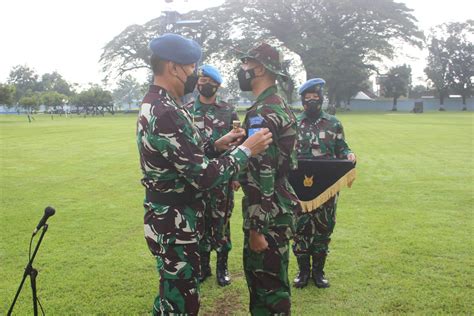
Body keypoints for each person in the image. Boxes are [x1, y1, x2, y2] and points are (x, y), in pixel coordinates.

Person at [136, 33, 273, 315]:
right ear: (173, 67)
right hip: (174, 222)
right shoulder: (166, 112)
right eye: (191, 69)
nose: (194, 76)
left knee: (173, 295)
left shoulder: (160, 103)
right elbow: (203, 176)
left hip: (172, 218)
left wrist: (214, 145)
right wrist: (245, 150)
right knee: (181, 303)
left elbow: (181, 155)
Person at [237, 42, 300, 315]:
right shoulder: (277, 104)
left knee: (268, 290)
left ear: (260, 68)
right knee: (273, 283)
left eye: (246, 64)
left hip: (267, 213)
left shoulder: (262, 113)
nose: (242, 70)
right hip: (278, 206)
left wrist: (256, 228)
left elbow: (262, 172)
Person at [292, 78, 356, 289]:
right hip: (299, 188)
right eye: (307, 98)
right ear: (302, 100)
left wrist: (349, 155)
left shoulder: (333, 123)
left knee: (323, 230)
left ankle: (319, 272)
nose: (311, 101)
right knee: (300, 230)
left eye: (315, 97)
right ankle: (303, 272)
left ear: (321, 98)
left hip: (327, 187)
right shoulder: (294, 123)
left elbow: (342, 148)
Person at [184, 64, 239, 286]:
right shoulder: (187, 109)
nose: (203, 84)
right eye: (201, 80)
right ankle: (203, 267)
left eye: (208, 81)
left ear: (217, 85)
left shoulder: (228, 111)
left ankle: (222, 267)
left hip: (223, 177)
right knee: (200, 223)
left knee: (222, 222)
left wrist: (236, 175)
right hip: (196, 178)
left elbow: (237, 144)